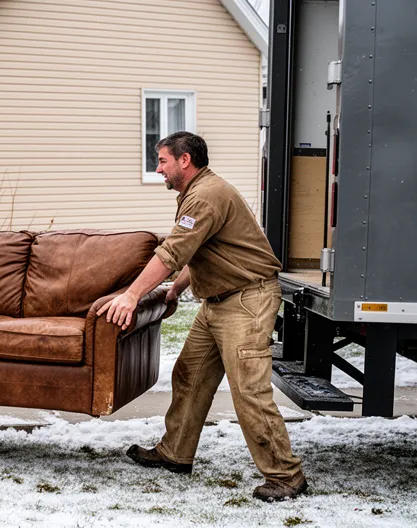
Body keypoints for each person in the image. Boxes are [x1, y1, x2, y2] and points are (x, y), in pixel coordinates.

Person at [98, 131, 307, 501]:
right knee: (189, 374)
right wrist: (176, 289)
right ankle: (175, 452)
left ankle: (286, 476)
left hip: (246, 301)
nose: (158, 169)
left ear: (185, 160)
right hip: (218, 302)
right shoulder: (197, 193)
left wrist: (131, 296)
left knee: (249, 391)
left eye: (162, 161)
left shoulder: (206, 196)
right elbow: (199, 252)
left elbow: (172, 253)